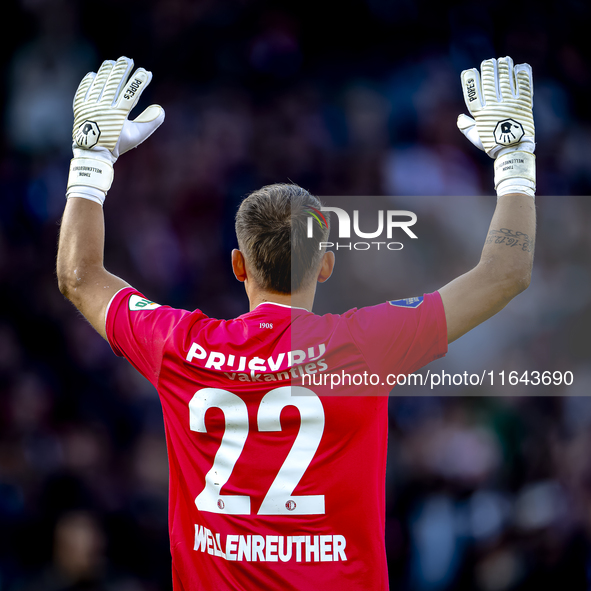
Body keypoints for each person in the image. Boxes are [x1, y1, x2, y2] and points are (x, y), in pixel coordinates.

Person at [57, 55, 536, 590]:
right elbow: (505, 273)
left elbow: (79, 276)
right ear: (326, 263)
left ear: (238, 266)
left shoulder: (180, 346)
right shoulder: (366, 346)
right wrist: (514, 160)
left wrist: (90, 160)